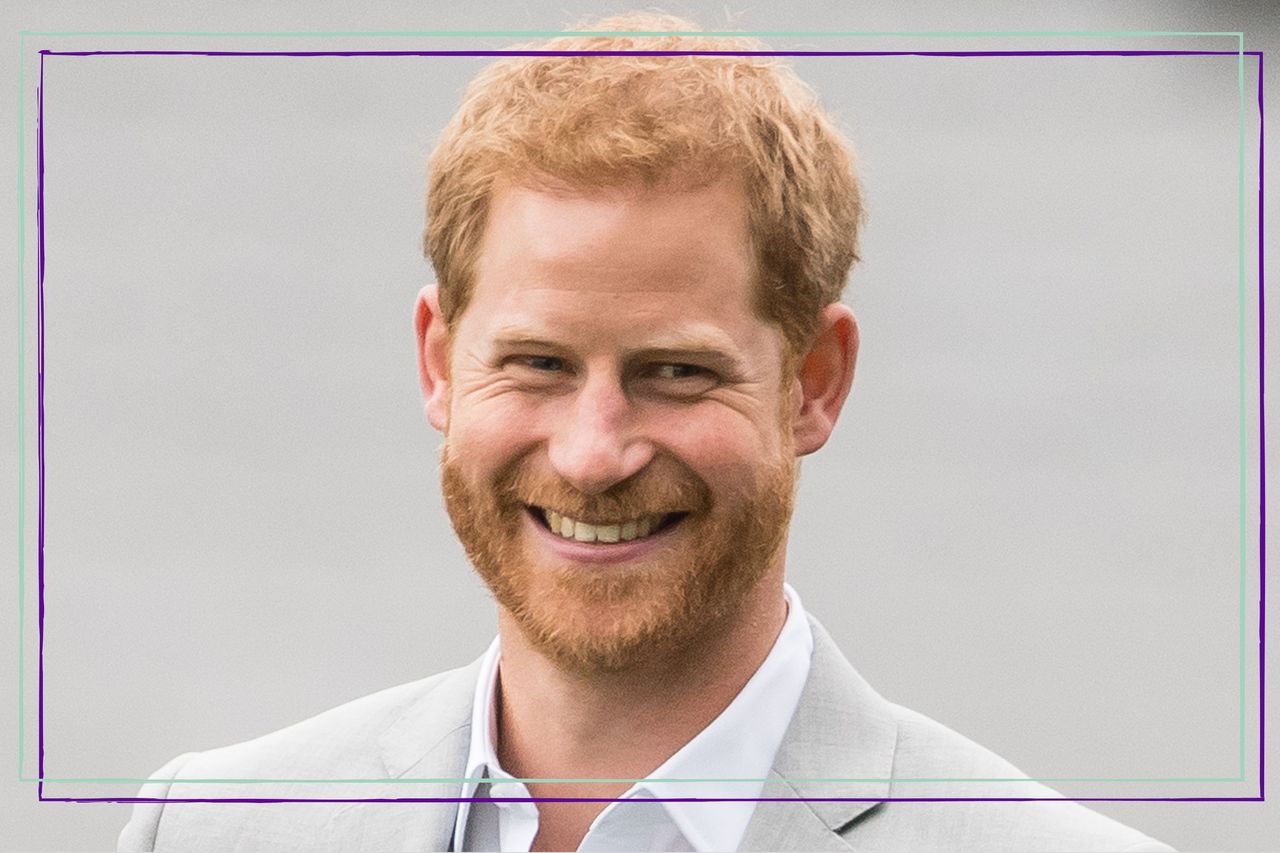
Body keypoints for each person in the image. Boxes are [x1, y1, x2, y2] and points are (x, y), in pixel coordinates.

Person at [119, 13, 1172, 852]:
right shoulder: (213, 827)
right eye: (537, 363)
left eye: (675, 372)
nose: (592, 450)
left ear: (812, 383)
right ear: (439, 361)